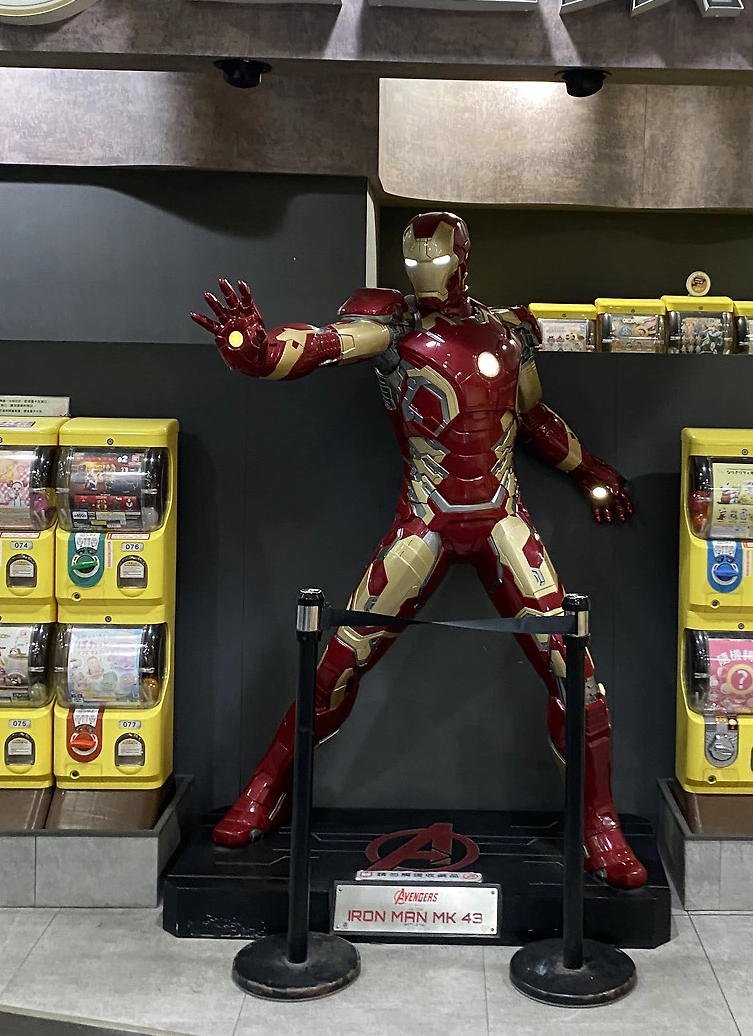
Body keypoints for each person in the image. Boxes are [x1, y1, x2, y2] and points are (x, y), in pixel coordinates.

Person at [192, 210, 646, 887]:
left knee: (572, 668)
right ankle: (266, 788)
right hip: (426, 523)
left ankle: (600, 823)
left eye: (435, 259)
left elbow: (531, 417)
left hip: (501, 519)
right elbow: (323, 344)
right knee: (336, 661)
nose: (422, 272)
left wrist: (588, 470)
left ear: (464, 258)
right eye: (412, 260)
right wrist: (259, 354)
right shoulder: (393, 323)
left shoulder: (509, 329)